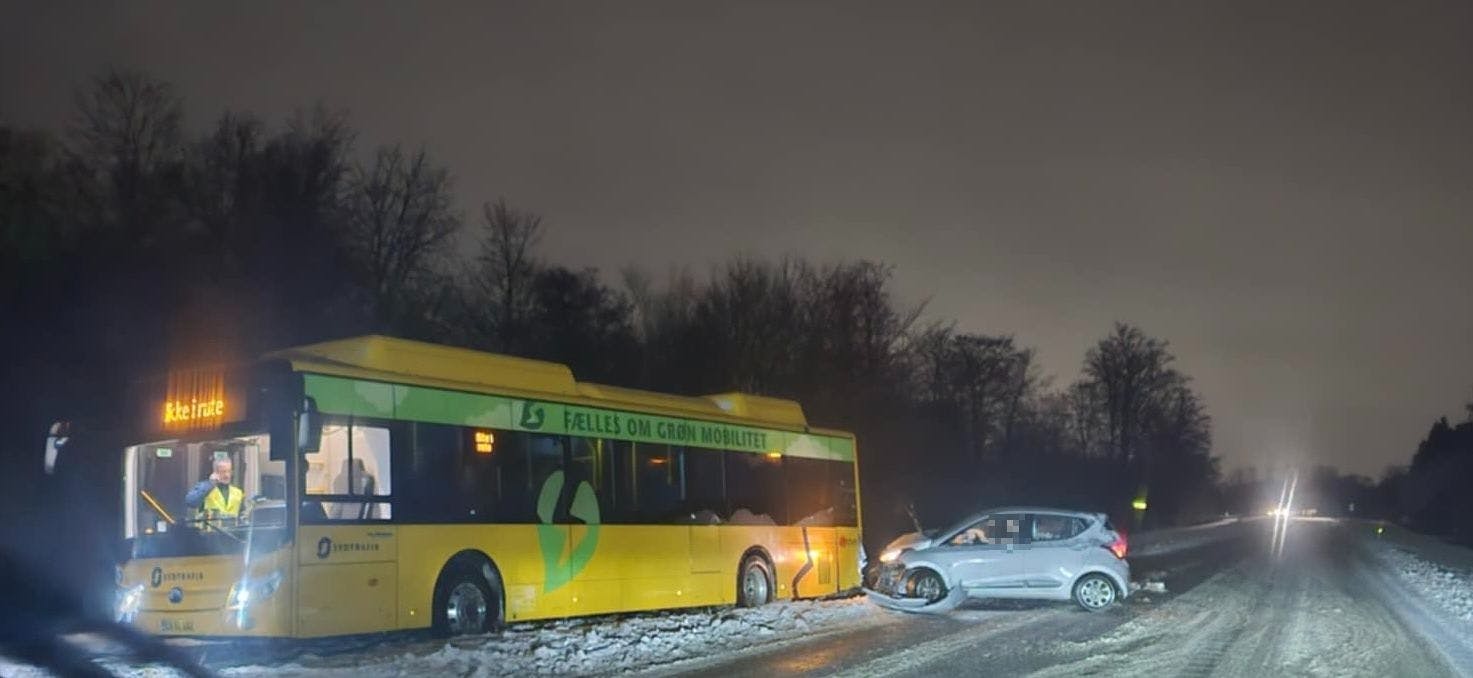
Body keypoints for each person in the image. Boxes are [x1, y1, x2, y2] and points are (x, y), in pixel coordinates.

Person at [186, 458, 244, 523]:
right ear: (215, 473)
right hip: (210, 531)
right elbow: (190, 502)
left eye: (229, 471)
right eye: (223, 472)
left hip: (231, 531)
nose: (227, 475)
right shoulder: (205, 487)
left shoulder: (238, 492)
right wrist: (210, 484)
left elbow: (242, 514)